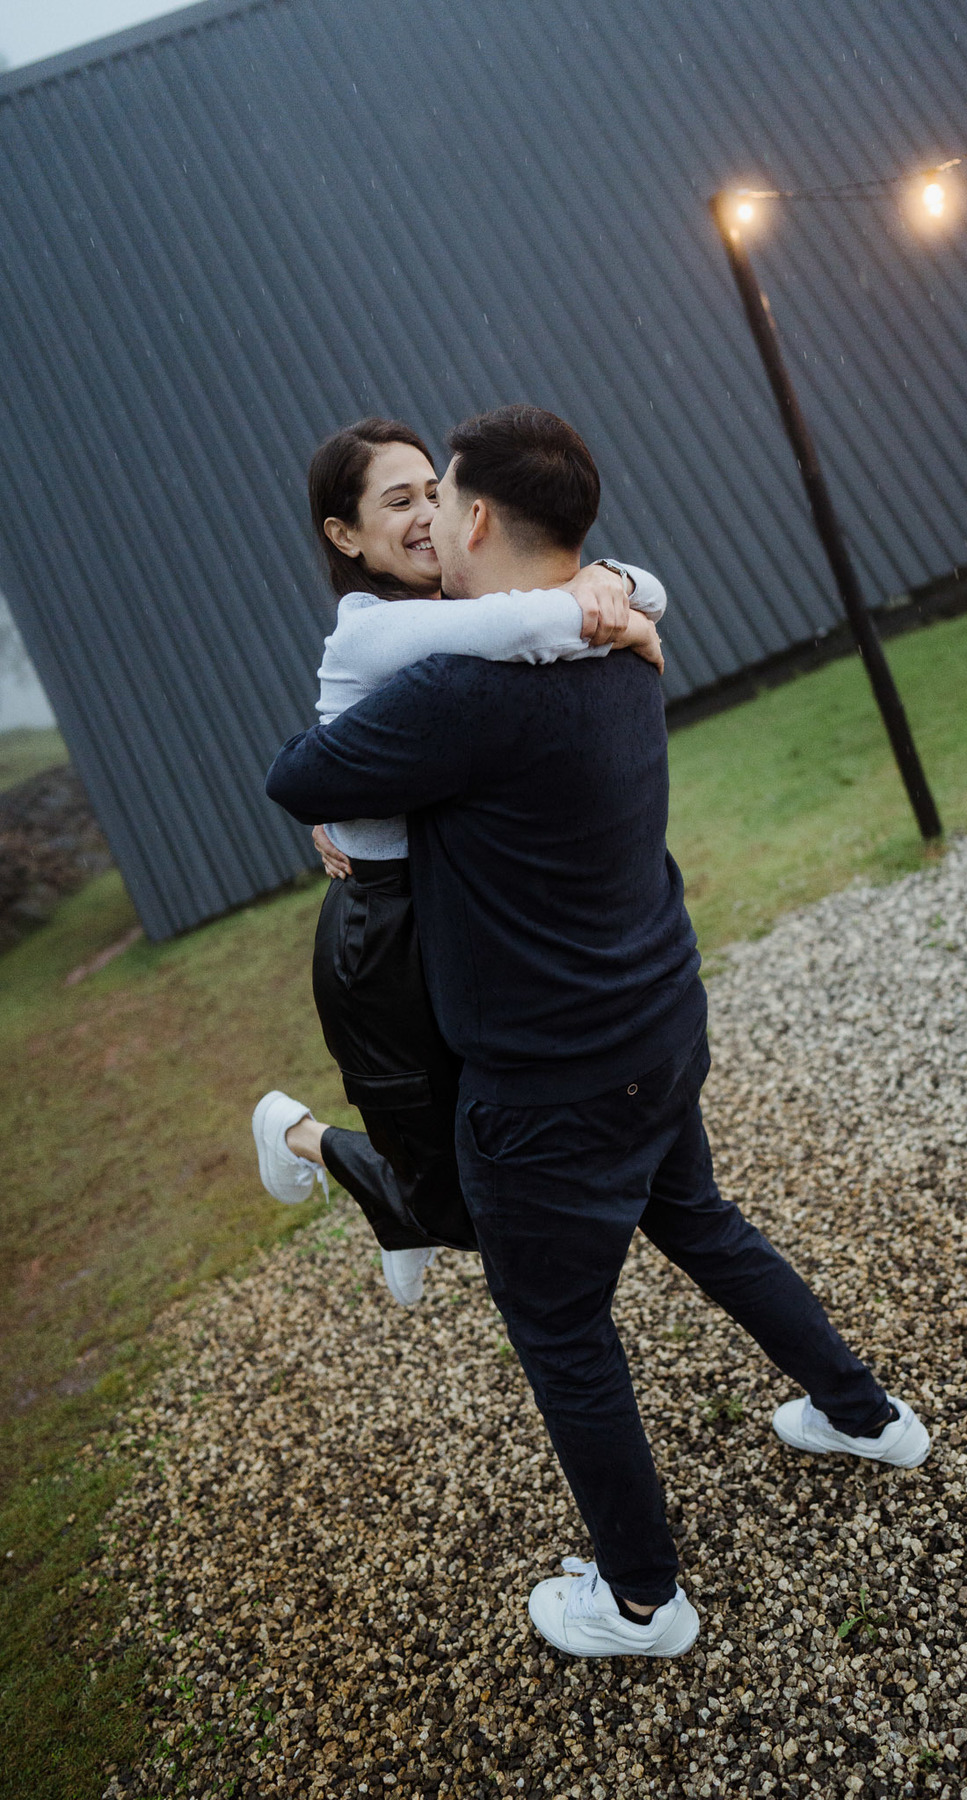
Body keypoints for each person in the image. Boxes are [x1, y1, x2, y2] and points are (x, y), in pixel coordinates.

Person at [266, 403, 929, 1662]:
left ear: (474, 520)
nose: (423, 518)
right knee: (704, 1225)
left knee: (564, 1334)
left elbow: (299, 776)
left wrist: (346, 798)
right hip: (656, 1022)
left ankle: (639, 1601)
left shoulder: (462, 692)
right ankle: (866, 1414)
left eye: (436, 496)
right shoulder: (623, 642)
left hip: (553, 1084)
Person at [251, 417, 664, 1306]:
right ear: (345, 536)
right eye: (398, 501)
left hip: (454, 906)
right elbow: (531, 624)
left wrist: (617, 583)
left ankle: (405, 1209)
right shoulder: (369, 633)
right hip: (382, 933)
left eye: (435, 493)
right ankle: (296, 1136)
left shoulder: (460, 609)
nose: (428, 514)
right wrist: (617, 608)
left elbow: (594, 602)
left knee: (492, 1163)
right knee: (468, 1199)